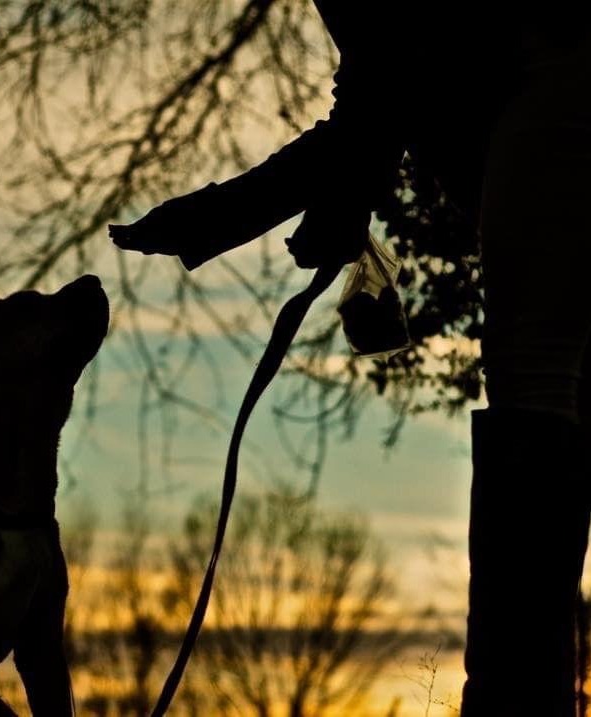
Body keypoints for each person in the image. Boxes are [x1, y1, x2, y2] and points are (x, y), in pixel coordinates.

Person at [110, 3, 591, 715]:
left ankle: (513, 700)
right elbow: (386, 81)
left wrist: (233, 213)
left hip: (557, 80)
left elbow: (390, 73)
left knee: (536, 381)